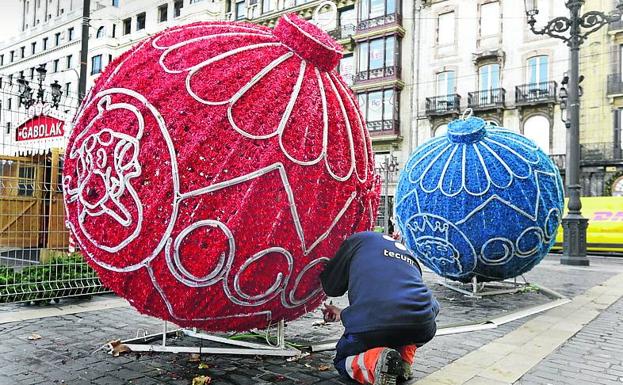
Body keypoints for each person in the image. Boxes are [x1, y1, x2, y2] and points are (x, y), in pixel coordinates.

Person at [320, 231, 439, 385]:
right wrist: (342, 314)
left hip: (373, 325)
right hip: (423, 325)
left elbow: (332, 287)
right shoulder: (407, 253)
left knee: (342, 360)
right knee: (408, 323)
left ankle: (376, 362)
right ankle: (403, 361)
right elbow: (403, 301)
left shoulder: (356, 241)